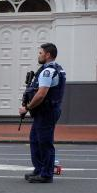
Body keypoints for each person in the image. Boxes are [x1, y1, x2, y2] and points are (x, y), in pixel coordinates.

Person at [18, 43, 66, 184]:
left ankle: (46, 174)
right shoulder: (53, 69)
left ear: (48, 55)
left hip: (47, 111)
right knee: (35, 140)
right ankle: (39, 169)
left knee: (44, 142)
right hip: (45, 111)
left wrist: (27, 107)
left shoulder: (48, 71)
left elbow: (41, 94)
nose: (38, 55)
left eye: (40, 53)